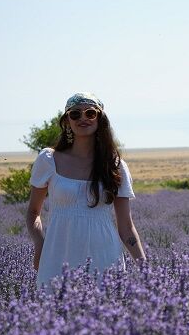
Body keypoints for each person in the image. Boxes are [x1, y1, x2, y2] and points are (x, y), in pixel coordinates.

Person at [26, 93, 146, 285]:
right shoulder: (48, 160)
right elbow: (33, 212)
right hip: (57, 256)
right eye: (75, 114)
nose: (83, 118)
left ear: (100, 119)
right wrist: (40, 244)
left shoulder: (114, 166)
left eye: (90, 113)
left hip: (104, 257)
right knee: (52, 312)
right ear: (67, 121)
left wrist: (144, 269)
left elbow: (126, 226)